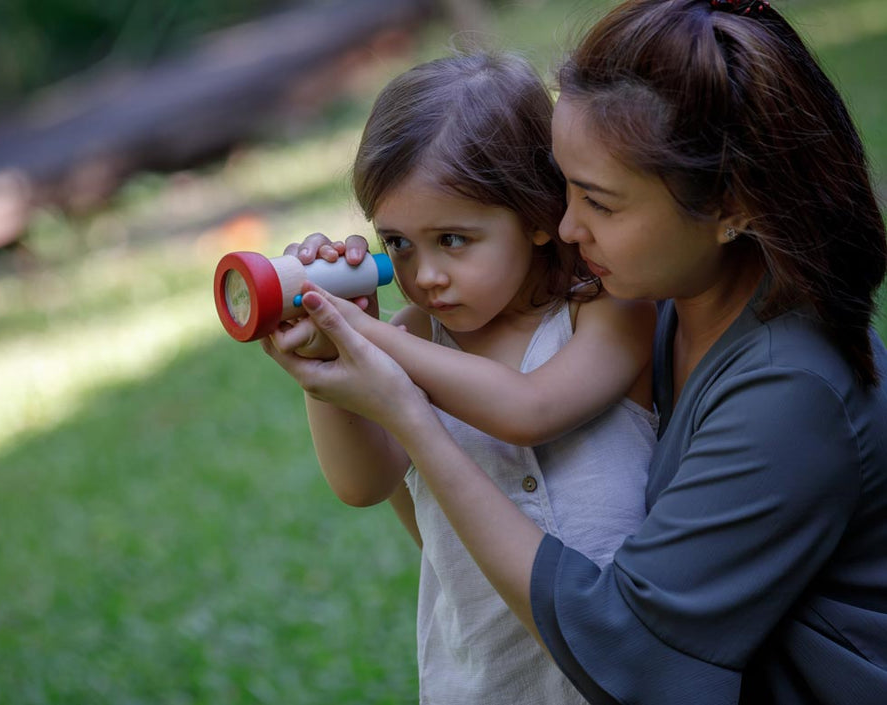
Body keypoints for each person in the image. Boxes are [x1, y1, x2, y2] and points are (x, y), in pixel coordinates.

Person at [267, 1, 887, 703]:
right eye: (564, 187)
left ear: (730, 206)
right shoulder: (672, 304)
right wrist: (335, 364)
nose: (564, 225)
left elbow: (632, 654)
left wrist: (383, 368)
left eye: (600, 202)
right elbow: (396, 496)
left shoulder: (785, 385)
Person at [264, 51, 658, 703]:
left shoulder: (608, 312)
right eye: (397, 243)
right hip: (485, 684)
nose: (424, 275)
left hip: (621, 672)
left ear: (535, 216)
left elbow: (528, 408)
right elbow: (362, 484)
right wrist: (329, 358)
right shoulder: (417, 337)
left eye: (452, 239)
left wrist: (367, 335)